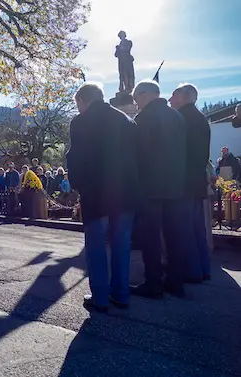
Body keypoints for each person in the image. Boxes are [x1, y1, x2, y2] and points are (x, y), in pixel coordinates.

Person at [66, 82, 140, 312]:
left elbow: (75, 157)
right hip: (126, 192)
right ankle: (121, 294)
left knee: (96, 247)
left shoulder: (81, 122)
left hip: (96, 192)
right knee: (121, 245)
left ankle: (100, 296)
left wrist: (78, 185)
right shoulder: (127, 121)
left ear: (81, 101)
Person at [131, 80, 189, 299]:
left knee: (151, 237)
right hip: (175, 185)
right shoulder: (178, 117)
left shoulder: (143, 119)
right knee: (175, 234)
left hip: (151, 187)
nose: (137, 105)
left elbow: (140, 155)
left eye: (137, 100)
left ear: (145, 95)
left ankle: (153, 283)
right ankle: (176, 281)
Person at [169, 83, 211, 282]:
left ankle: (192, 271)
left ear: (182, 97)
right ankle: (203, 268)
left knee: (184, 229)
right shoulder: (201, 118)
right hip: (197, 181)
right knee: (197, 228)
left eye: (173, 96)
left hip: (183, 181)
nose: (169, 100)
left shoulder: (180, 119)